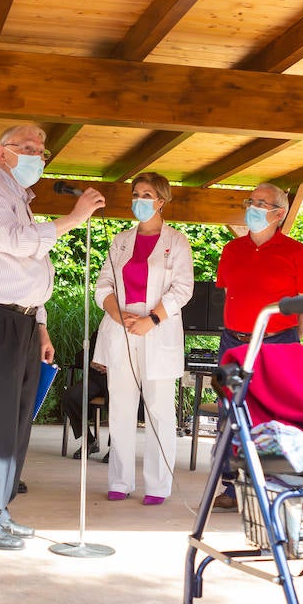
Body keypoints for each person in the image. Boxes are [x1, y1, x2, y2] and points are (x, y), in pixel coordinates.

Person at [0, 122, 105, 550]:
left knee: (19, 419)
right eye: (29, 148)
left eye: (43, 150)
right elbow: (17, 243)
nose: (39, 155)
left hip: (21, 321)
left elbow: (28, 271)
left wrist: (40, 324)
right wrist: (73, 220)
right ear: (4, 153)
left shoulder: (18, 199)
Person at [211, 182, 303, 508]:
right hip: (234, 340)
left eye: (261, 202)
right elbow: (229, 291)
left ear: (279, 213)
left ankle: (271, 487)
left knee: (272, 416)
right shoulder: (232, 250)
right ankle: (230, 486)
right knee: (230, 412)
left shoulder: (297, 252)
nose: (252, 207)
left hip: (278, 342)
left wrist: (287, 338)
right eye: (251, 200)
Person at [93, 172, 193, 506]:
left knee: (159, 410)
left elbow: (183, 289)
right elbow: (103, 285)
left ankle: (158, 485)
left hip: (158, 325)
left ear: (161, 200)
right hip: (120, 323)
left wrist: (151, 319)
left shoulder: (177, 241)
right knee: (120, 406)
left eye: (146, 194)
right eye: (135, 193)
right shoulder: (120, 240)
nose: (139, 199)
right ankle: (120, 480)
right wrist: (119, 315)